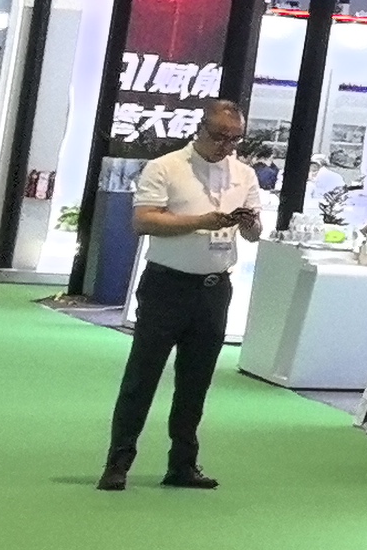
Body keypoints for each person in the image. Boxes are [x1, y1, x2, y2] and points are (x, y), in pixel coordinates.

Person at [102, 99, 261, 492]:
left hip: (215, 288)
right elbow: (143, 221)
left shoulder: (244, 174)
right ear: (200, 129)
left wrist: (249, 223)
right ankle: (118, 462)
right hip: (166, 286)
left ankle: (183, 464)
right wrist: (200, 222)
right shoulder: (166, 167)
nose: (227, 145)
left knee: (196, 381)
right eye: (219, 136)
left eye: (235, 138)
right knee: (142, 377)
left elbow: (254, 234)